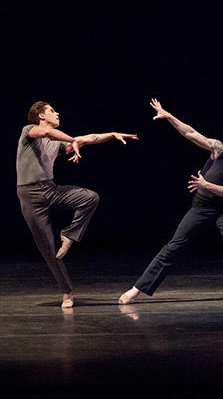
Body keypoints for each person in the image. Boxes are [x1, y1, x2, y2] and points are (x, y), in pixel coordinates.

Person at [118, 98, 223, 305]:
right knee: (174, 245)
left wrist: (207, 185)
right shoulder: (220, 149)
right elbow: (191, 134)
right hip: (202, 206)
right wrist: (169, 115)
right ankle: (136, 289)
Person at [17, 101, 138, 308]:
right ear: (41, 116)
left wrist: (112, 134)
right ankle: (67, 292)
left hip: (50, 189)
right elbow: (46, 134)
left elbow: (90, 138)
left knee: (90, 197)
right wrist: (73, 140)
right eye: (52, 111)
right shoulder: (29, 131)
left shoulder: (58, 141)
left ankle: (70, 234)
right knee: (47, 248)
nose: (57, 112)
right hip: (29, 194)